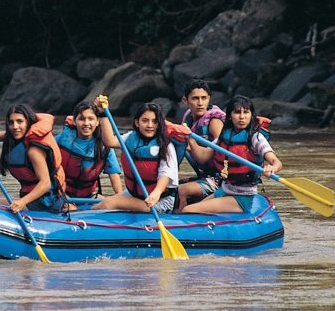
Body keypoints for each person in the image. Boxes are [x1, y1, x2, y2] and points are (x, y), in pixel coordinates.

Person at [181, 95, 282, 214]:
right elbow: (203, 157)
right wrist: (190, 139)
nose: (242, 117)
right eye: (237, 112)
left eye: (246, 112)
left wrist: (272, 167)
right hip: (225, 190)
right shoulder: (224, 136)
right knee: (188, 208)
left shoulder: (256, 138)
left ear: (251, 115)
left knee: (188, 210)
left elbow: (277, 162)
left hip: (243, 197)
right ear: (230, 116)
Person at [0, 104, 66, 213]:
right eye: (11, 122)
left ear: (28, 122)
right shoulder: (14, 136)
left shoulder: (34, 151)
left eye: (20, 121)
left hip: (46, 202)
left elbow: (45, 183)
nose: (15, 126)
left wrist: (22, 202)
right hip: (32, 198)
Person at [93, 99, 179, 214]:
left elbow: (166, 174)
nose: (150, 125)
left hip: (159, 201)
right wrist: (103, 113)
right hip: (134, 194)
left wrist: (156, 193)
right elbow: (109, 141)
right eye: (145, 121)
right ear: (137, 122)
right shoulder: (130, 138)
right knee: (99, 205)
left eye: (154, 121)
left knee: (109, 203)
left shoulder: (166, 145)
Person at [56, 101, 124, 202]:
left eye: (91, 119)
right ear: (74, 121)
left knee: (106, 202)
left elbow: (114, 177)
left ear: (97, 122)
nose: (86, 123)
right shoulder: (61, 140)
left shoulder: (104, 147)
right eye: (81, 119)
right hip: (60, 194)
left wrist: (119, 200)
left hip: (89, 197)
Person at [174, 79, 226, 210]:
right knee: (170, 188)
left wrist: (189, 139)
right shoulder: (190, 119)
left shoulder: (214, 122)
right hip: (205, 176)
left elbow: (203, 157)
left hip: (221, 180)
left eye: (204, 98)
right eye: (195, 98)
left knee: (182, 190)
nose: (200, 103)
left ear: (209, 99)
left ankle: (180, 220)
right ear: (185, 101)